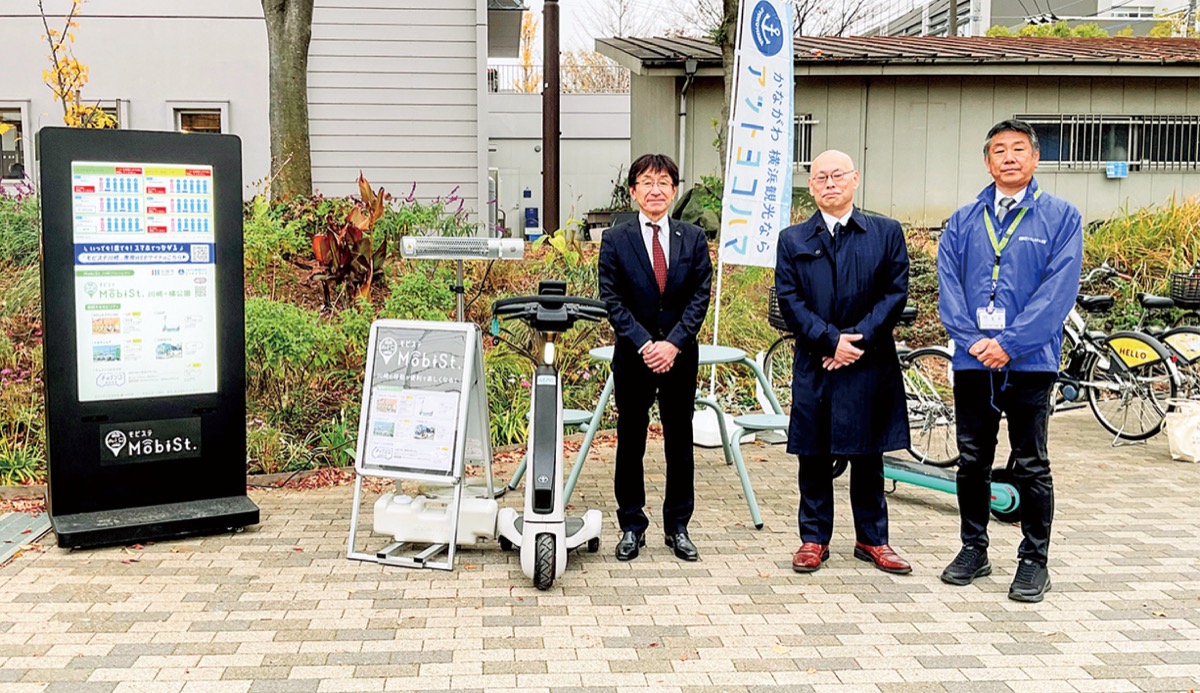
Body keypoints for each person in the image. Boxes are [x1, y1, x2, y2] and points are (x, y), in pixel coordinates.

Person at [937, 119, 1083, 603]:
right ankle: (973, 549)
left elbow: (1057, 293)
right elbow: (950, 288)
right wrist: (973, 339)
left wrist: (1011, 343)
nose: (1009, 157)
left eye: (1019, 149)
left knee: (1030, 462)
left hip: (1030, 361)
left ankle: (1034, 560)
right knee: (972, 460)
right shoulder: (962, 220)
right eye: (998, 150)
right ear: (987, 162)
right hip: (974, 361)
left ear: (1035, 158)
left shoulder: (1061, 217)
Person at [774, 150, 912, 575]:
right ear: (811, 186)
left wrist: (858, 342)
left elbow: (895, 293)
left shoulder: (885, 232)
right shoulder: (793, 239)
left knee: (869, 455)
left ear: (855, 180)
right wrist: (830, 341)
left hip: (869, 363)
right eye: (820, 177)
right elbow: (790, 300)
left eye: (837, 176)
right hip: (817, 361)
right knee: (813, 456)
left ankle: (873, 539)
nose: (829, 183)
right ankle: (813, 538)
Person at [598, 153, 713, 562]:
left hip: (680, 355)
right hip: (634, 355)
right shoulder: (616, 238)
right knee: (631, 439)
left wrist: (674, 343)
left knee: (679, 440)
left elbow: (701, 295)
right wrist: (646, 344)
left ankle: (678, 526)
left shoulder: (693, 238)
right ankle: (631, 525)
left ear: (675, 190)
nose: (655, 190)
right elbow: (610, 298)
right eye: (646, 182)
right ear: (633, 191)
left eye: (664, 182)